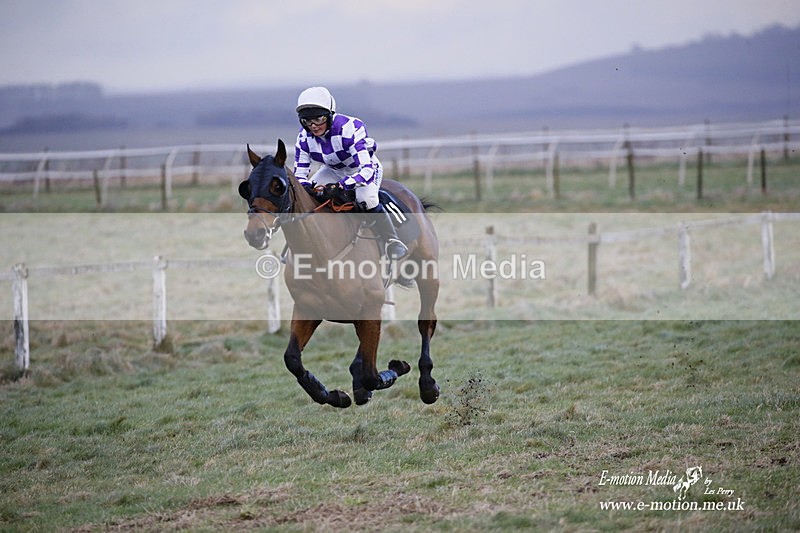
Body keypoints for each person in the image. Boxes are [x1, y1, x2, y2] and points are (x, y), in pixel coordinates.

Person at [293, 86, 408, 260]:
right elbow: (299, 176)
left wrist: (341, 186)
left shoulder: (350, 128)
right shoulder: (303, 138)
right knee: (307, 198)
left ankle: (392, 240)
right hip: (332, 170)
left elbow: (367, 170)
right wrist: (308, 188)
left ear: (330, 115)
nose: (313, 126)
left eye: (319, 119)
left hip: (362, 168)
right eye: (307, 121)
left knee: (366, 200)